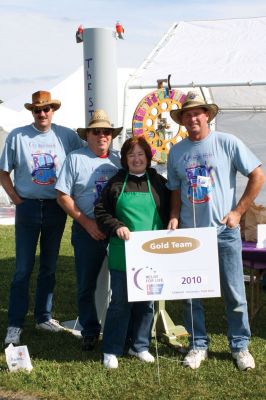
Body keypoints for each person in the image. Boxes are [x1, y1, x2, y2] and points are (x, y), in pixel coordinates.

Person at [167, 91, 265, 371]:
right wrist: (174, 215)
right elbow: (174, 188)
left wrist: (238, 211)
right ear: (182, 120)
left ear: (207, 115)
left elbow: (258, 174)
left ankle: (240, 346)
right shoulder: (177, 151)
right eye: (187, 114)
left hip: (223, 231)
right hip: (190, 234)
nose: (193, 117)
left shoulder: (227, 142)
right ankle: (198, 344)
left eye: (197, 112)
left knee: (234, 291)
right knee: (190, 293)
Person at [0, 90, 85, 345]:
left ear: (53, 110)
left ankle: (43, 317)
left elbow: (82, 159)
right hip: (27, 207)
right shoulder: (18, 136)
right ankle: (15, 324)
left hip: (55, 207)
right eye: (37, 109)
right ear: (32, 112)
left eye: (46, 108)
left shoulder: (66, 135)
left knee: (49, 266)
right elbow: (4, 172)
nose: (42, 113)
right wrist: (17, 200)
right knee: (23, 269)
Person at [94, 136, 170, 369]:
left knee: (147, 303)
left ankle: (140, 346)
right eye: (131, 155)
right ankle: (111, 349)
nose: (136, 159)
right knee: (120, 302)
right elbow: (100, 211)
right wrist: (117, 226)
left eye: (140, 154)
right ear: (125, 159)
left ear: (148, 158)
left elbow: (169, 212)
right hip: (123, 252)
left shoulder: (158, 182)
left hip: (151, 254)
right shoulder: (116, 183)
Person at [55, 109, 121, 351]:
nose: (102, 135)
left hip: (116, 231)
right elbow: (62, 196)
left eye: (106, 131)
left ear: (111, 135)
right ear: (88, 135)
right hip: (86, 229)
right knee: (86, 284)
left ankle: (119, 329)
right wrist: (87, 223)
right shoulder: (75, 158)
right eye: (97, 131)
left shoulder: (118, 160)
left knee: (122, 284)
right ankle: (90, 330)